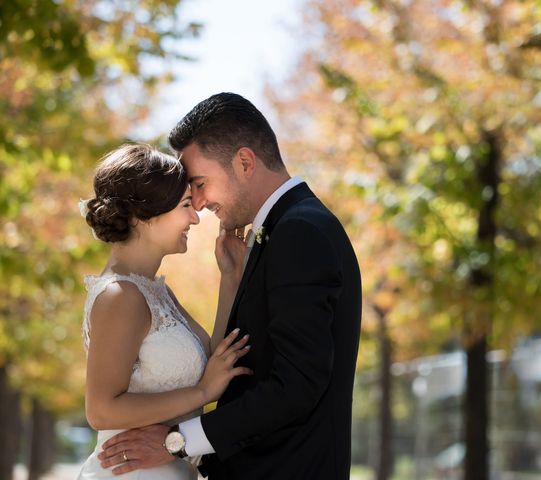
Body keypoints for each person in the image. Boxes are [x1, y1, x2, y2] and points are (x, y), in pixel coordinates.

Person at [98, 93, 362, 479]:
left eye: (200, 183)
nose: (199, 204)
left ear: (244, 162)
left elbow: (298, 384)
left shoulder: (299, 231)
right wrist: (232, 279)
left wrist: (179, 441)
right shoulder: (285, 229)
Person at [77, 143, 252, 479]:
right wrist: (202, 394)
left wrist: (230, 278)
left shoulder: (155, 290)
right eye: (186, 205)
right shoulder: (120, 295)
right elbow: (101, 410)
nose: (195, 217)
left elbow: (212, 360)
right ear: (146, 214)